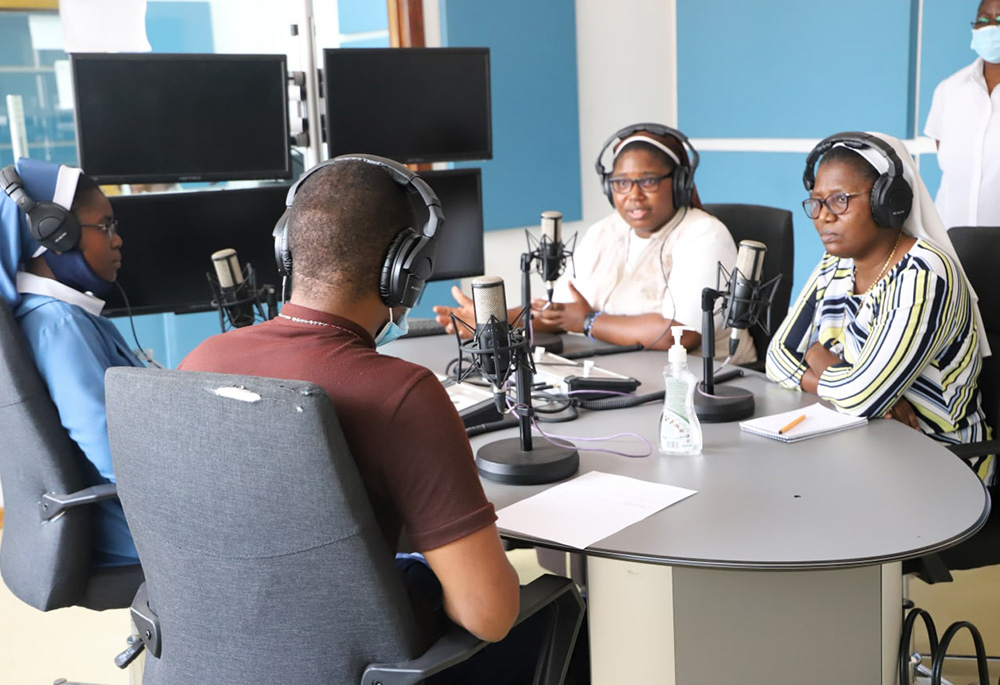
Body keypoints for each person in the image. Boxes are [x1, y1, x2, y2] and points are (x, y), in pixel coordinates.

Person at [178, 158, 525, 665]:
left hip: (213, 657)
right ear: (403, 271)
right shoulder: (401, 393)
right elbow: (487, 614)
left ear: (287, 252)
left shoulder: (201, 361)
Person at [766, 131, 992, 481]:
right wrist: (859, 391)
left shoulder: (923, 277)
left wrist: (818, 359)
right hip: (860, 448)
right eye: (816, 202)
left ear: (888, 202)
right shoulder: (835, 264)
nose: (823, 216)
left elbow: (863, 397)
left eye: (840, 200)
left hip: (941, 466)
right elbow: (777, 357)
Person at [433, 123, 757, 365]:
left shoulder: (705, 236)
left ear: (680, 183)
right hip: (624, 374)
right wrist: (496, 321)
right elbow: (560, 312)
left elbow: (683, 334)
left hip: (700, 385)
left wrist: (589, 322)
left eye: (648, 181)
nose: (633, 194)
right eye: (621, 183)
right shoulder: (604, 233)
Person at [0, 157, 142, 567]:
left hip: (112, 519)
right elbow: (115, 454)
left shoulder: (47, 314)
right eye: (106, 226)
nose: (118, 241)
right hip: (129, 530)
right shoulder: (58, 324)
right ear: (54, 235)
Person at [924, 0, 1000, 229]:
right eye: (983, 20)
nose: (991, 27)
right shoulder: (949, 90)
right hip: (951, 243)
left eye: (999, 20)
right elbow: (948, 162)